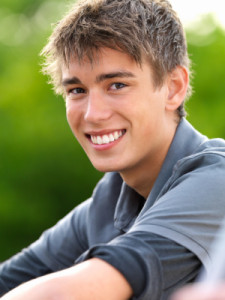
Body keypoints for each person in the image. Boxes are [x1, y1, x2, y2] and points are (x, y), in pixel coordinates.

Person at [0, 0, 225, 299]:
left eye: (116, 85)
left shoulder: (216, 181)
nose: (93, 114)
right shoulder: (109, 200)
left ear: (173, 88)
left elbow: (72, 292)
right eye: (77, 90)